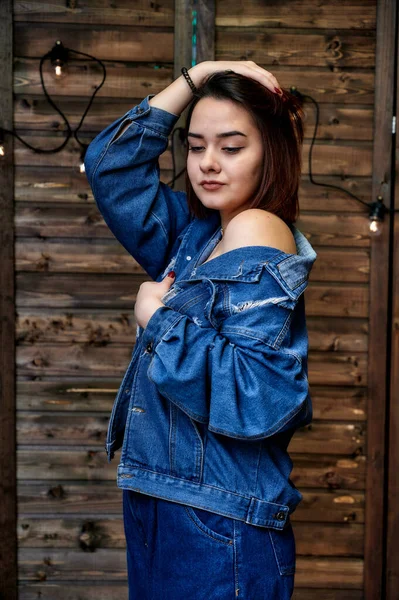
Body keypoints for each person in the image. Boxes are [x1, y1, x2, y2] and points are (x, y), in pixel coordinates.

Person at [84, 60, 318, 600]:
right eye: (195, 146)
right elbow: (111, 167)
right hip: (168, 500)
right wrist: (201, 74)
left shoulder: (258, 230)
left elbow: (261, 395)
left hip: (216, 519)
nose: (208, 164)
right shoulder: (198, 235)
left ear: (271, 153)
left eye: (232, 148)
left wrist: (159, 321)